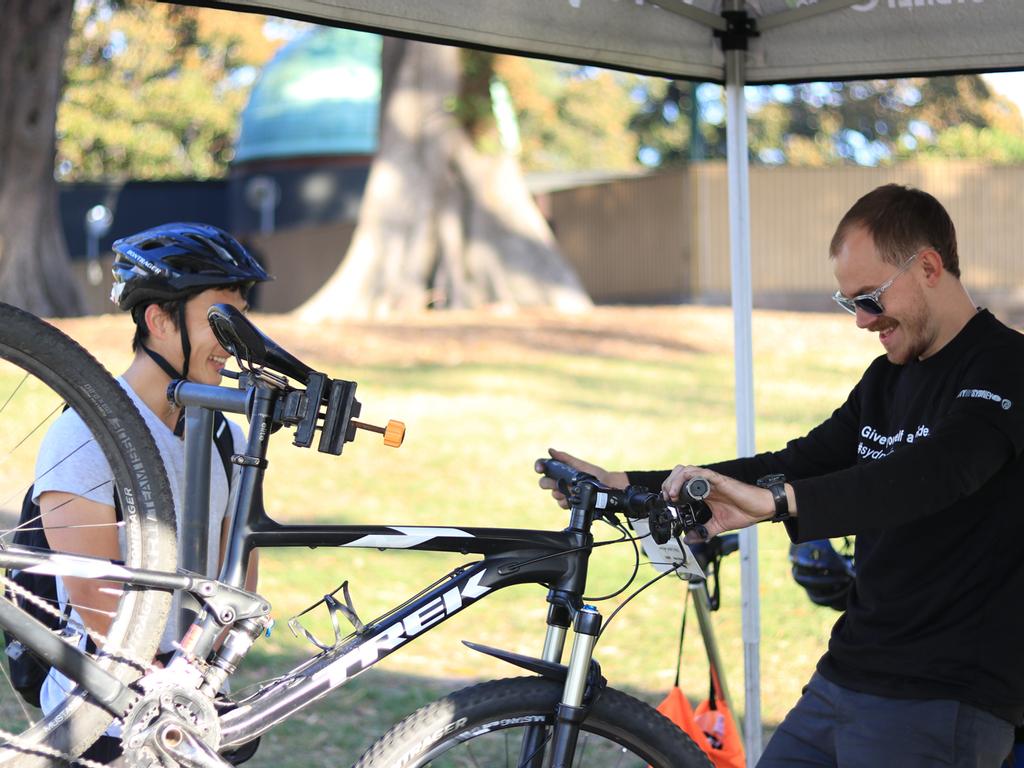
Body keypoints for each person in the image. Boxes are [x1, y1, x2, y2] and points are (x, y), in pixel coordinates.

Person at [539, 184, 1024, 767]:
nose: (862, 321)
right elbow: (796, 461)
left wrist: (777, 502)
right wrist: (626, 483)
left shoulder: (1005, 367)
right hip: (846, 676)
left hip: (943, 696)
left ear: (927, 267)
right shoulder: (885, 381)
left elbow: (936, 475)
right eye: (850, 304)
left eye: (869, 298)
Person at [34, 222, 270, 763]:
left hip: (190, 707)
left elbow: (238, 570)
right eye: (221, 318)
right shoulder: (85, 433)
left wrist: (203, 679)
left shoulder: (224, 432)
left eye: (242, 317)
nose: (238, 340)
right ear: (159, 320)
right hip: (104, 720)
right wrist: (166, 683)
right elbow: (98, 602)